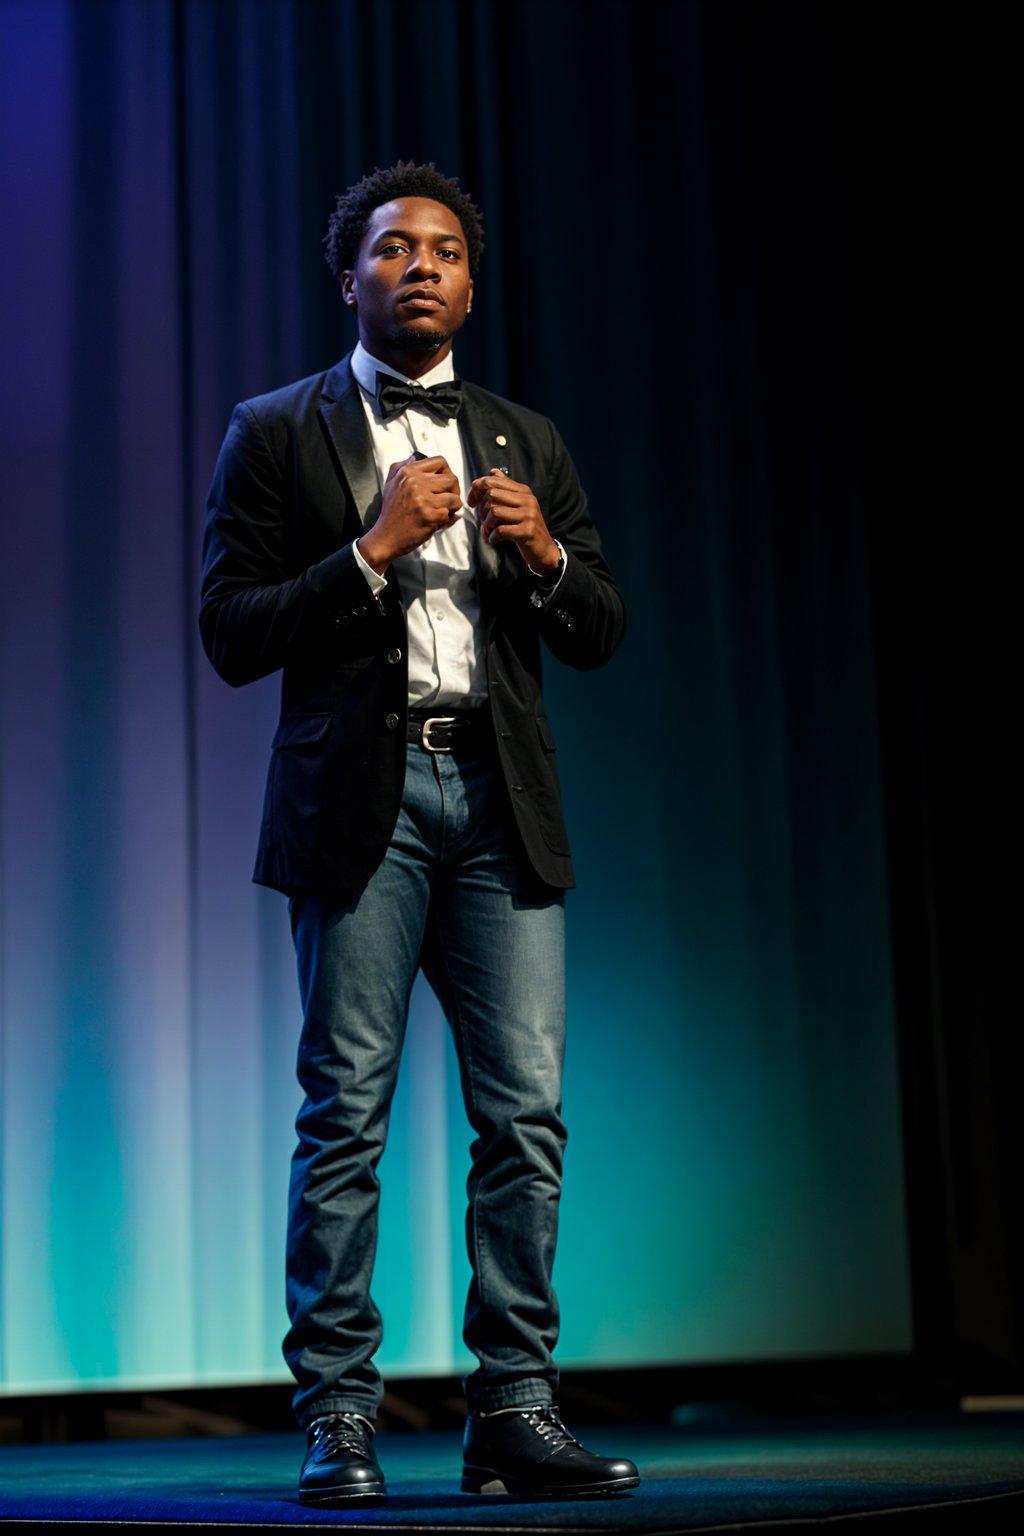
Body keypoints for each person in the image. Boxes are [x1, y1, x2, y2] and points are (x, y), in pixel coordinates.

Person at [200, 162, 638, 1506]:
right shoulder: (278, 429)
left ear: (470, 277)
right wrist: (373, 549)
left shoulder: (525, 437)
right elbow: (230, 633)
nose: (425, 266)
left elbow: (602, 626)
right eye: (396, 250)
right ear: (353, 277)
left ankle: (514, 1409)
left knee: (527, 1120)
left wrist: (550, 563)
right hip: (360, 814)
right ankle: (338, 1416)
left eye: (446, 249)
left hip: (500, 805)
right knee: (347, 1118)